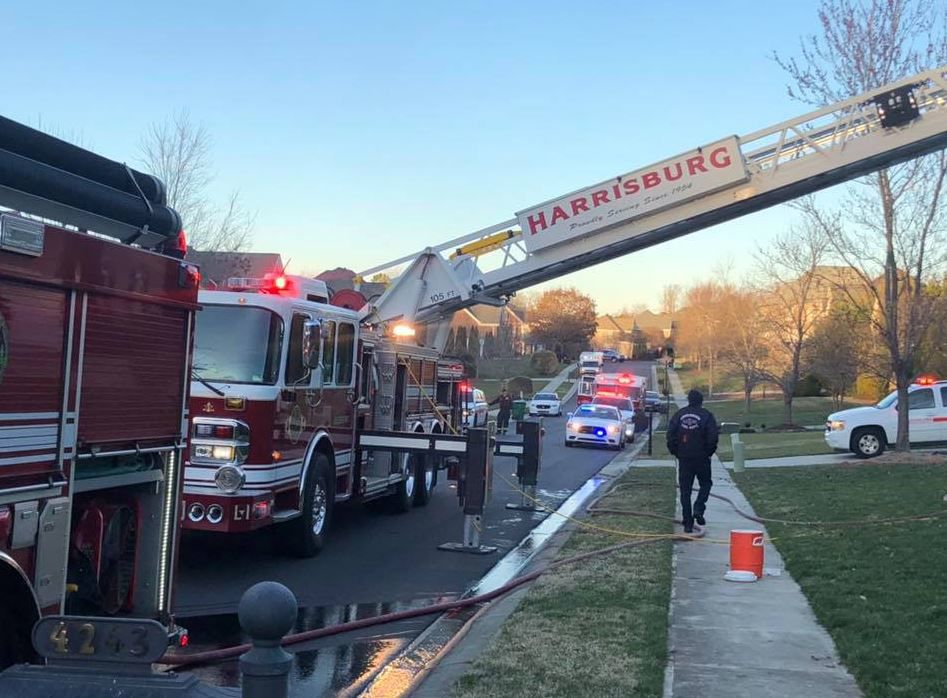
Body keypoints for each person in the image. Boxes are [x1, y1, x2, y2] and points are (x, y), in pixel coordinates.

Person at [666, 389, 719, 533]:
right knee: (706, 484)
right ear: (701, 401)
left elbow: (670, 435)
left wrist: (676, 452)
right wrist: (708, 452)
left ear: (688, 400)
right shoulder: (707, 416)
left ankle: (688, 523)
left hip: (684, 458)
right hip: (702, 458)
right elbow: (713, 437)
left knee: (685, 491)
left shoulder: (679, 415)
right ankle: (699, 508)